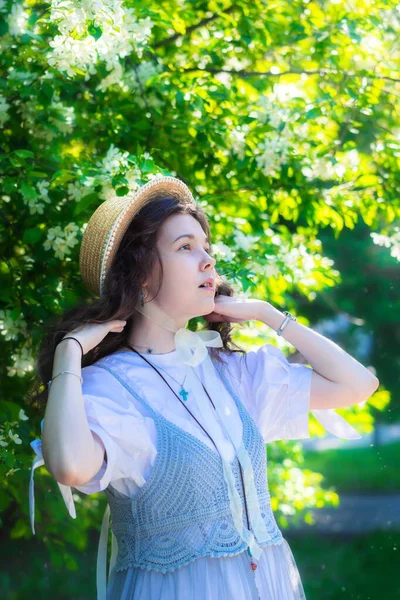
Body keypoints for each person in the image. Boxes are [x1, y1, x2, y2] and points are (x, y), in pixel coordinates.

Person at [28, 175, 379, 600]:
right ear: (140, 273)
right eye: (185, 248)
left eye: (206, 247)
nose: (207, 260)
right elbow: (70, 466)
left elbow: (358, 384)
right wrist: (69, 355)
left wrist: (270, 315)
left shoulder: (228, 369)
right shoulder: (114, 385)